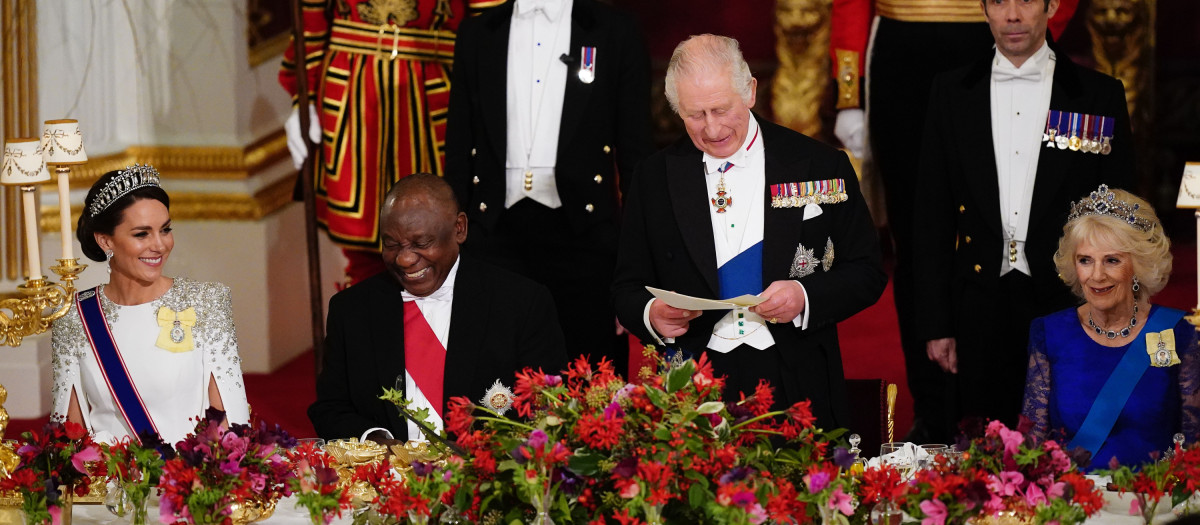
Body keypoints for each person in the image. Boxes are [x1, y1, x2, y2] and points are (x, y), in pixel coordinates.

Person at [828, 0, 1076, 443]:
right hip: (905, 54)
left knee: (1023, 223)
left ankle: (1035, 401)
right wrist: (851, 92)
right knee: (918, 235)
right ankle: (933, 409)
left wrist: (1034, 22)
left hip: (999, 37)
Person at [611, 34, 886, 429]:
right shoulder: (653, 178)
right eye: (694, 115)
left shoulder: (818, 164)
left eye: (722, 109)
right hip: (693, 382)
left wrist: (804, 296)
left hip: (795, 374)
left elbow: (867, 272)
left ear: (751, 91)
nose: (711, 128)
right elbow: (625, 288)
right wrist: (651, 313)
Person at [913, 0, 1135, 431]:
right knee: (984, 457)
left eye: (1027, 0)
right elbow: (931, 217)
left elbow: (1120, 219)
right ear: (983, 8)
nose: (1012, 15)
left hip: (1071, 300)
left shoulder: (1099, 94)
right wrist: (937, 322)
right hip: (978, 302)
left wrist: (1118, 313)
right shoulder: (950, 91)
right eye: (998, 1)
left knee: (1071, 447)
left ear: (1052, 5)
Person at [444, 0, 652, 375]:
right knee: (496, 387)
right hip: (493, 238)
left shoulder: (614, 32)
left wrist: (634, 270)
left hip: (586, 238)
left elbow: (636, 158)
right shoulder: (477, 33)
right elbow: (458, 151)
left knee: (591, 387)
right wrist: (455, 248)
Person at [309, 173, 569, 443]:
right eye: (391, 244)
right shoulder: (352, 309)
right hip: (384, 475)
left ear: (459, 229)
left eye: (421, 244)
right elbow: (331, 408)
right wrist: (377, 441)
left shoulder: (521, 303)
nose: (405, 259)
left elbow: (546, 406)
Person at [279, 0, 496, 286]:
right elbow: (310, 18)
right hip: (352, 93)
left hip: (433, 90)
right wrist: (302, 95)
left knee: (435, 238)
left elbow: (490, 21)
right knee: (363, 256)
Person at [51, 165, 249, 445]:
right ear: (105, 240)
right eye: (142, 234)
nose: (160, 245)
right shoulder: (75, 315)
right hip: (110, 481)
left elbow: (231, 423)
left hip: (188, 480)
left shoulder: (206, 302)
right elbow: (69, 433)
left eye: (165, 229)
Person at [1022, 186, 1199, 470]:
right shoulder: (1049, 332)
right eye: (1085, 261)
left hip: (1152, 504)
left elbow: (1194, 444)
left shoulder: (1180, 332)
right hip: (1076, 504)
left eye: (1112, 260)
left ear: (1138, 265)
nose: (1097, 275)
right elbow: (1032, 445)